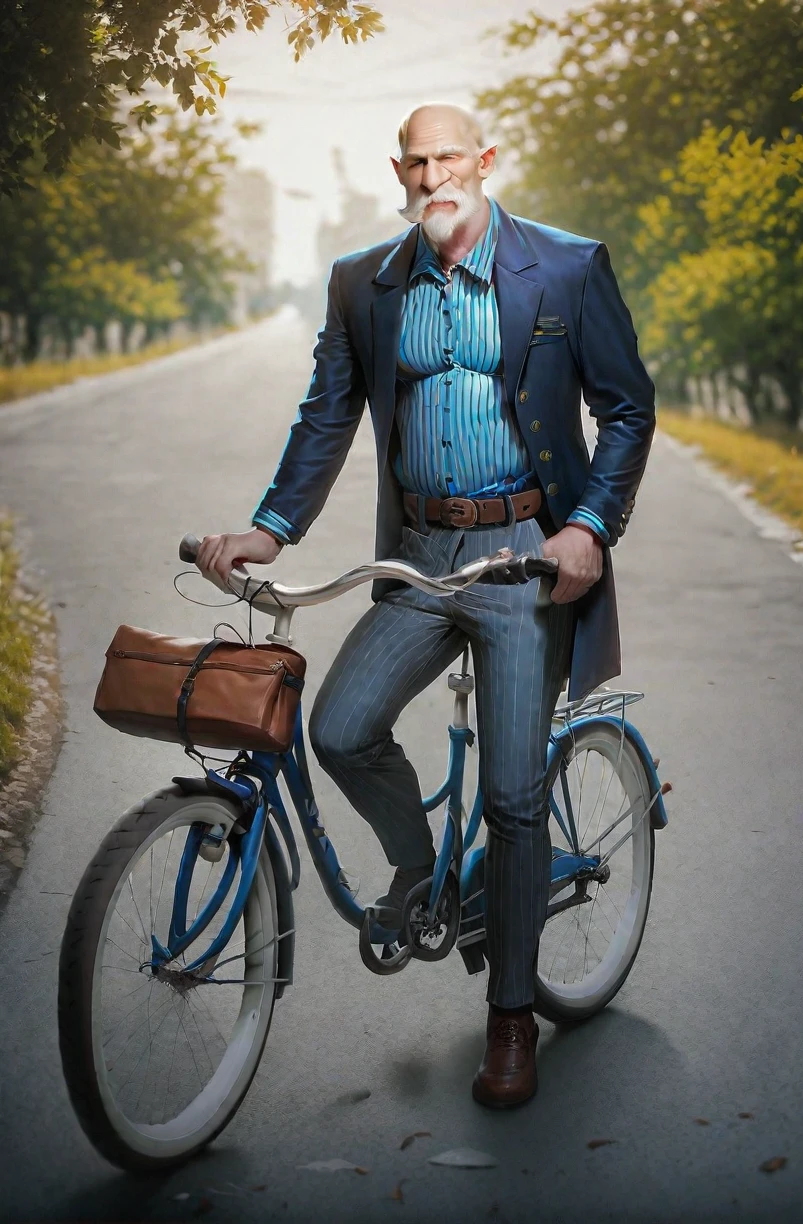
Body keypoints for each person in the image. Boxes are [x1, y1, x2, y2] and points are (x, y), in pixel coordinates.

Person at [196, 102, 656, 1108]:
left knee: (511, 795)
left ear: (484, 160)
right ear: (396, 171)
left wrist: (588, 527)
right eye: (414, 160)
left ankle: (508, 1018)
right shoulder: (364, 280)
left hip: (526, 552)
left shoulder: (565, 267)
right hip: (418, 553)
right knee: (340, 725)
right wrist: (271, 526)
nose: (430, 174)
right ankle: (418, 878)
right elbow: (328, 410)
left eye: (449, 156)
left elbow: (625, 408)